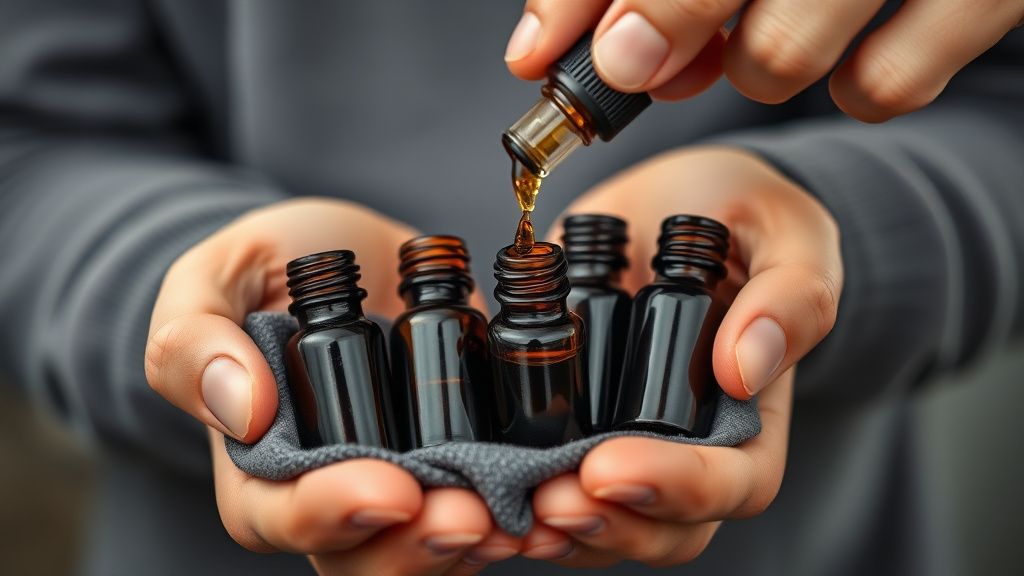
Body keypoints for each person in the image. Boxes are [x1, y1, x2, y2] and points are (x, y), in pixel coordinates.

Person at [0, 1, 1020, 574]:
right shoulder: (340, 343)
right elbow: (27, 144)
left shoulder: (636, 307)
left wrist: (837, 235)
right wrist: (174, 277)